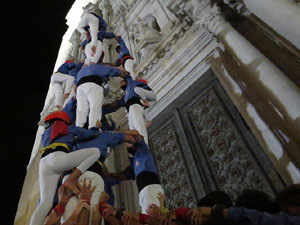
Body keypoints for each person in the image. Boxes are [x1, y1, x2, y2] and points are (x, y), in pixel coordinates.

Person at [29, 111, 101, 225]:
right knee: (95, 152)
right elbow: (90, 134)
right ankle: (71, 179)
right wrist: (96, 127)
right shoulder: (68, 128)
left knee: (45, 203)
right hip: (58, 158)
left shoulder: (45, 133)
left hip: (43, 164)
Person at [75, 60, 126, 129]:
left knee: (81, 109)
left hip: (80, 89)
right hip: (92, 85)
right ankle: (94, 128)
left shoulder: (80, 72)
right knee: (95, 107)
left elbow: (74, 86)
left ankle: (79, 128)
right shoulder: (94, 67)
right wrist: (125, 76)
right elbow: (110, 70)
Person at [120, 76, 151, 144]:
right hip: (130, 110)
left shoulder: (131, 85)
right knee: (133, 132)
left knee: (139, 128)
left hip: (134, 106)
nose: (120, 82)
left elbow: (127, 75)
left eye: (122, 81)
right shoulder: (126, 94)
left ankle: (145, 146)